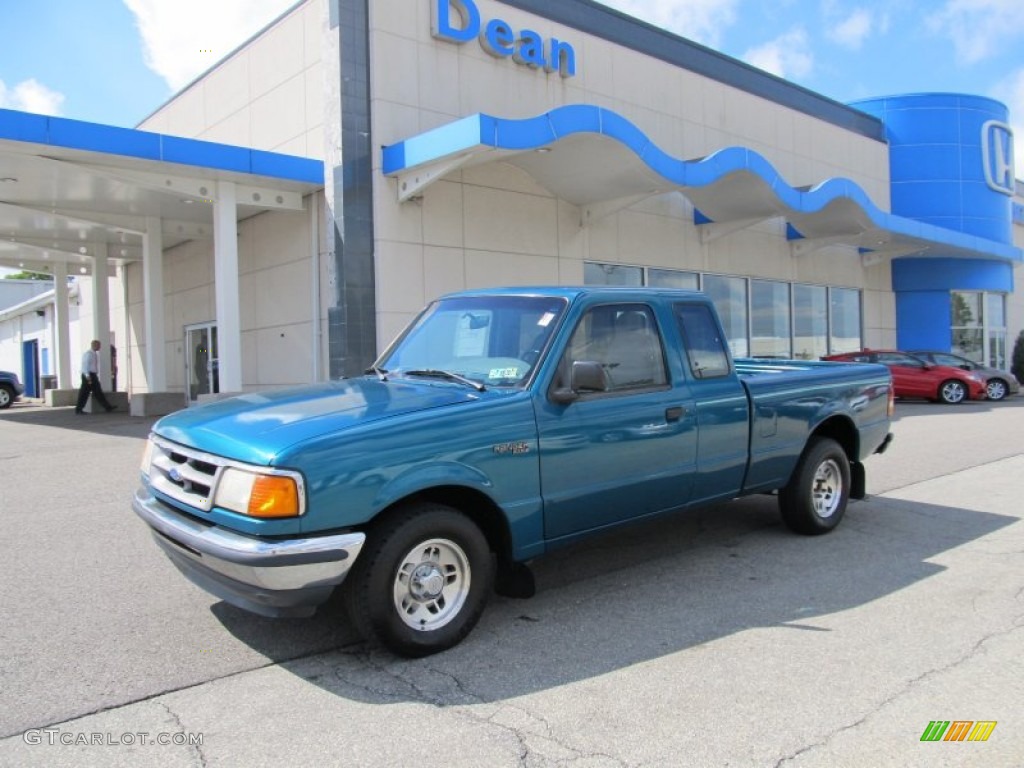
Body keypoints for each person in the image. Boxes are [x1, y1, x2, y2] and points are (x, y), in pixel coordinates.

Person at [75, 340, 116, 414]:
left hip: (92, 375)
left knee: (98, 391)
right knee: (84, 392)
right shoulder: (88, 354)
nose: (100, 347)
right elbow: (85, 365)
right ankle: (79, 409)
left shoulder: (94, 354)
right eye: (99, 345)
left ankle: (107, 407)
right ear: (95, 345)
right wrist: (88, 376)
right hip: (88, 376)